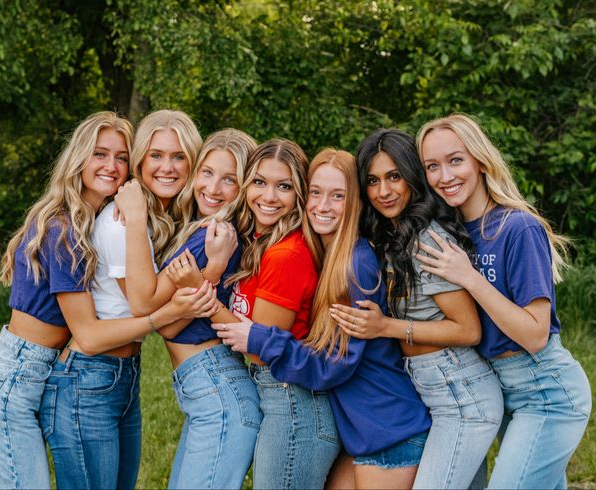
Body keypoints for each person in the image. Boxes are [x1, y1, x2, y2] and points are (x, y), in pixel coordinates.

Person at [0, 112, 215, 490]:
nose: (111, 166)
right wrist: (168, 314)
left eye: (120, 157)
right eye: (100, 154)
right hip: (11, 384)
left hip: (54, 375)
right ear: (79, 157)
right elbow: (91, 336)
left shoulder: (93, 220)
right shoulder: (63, 230)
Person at [214, 148, 432, 489]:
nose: (322, 205)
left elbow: (334, 364)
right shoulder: (327, 255)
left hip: (389, 431)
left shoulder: (355, 265)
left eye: (337, 196)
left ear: (355, 203)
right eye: (316, 192)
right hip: (363, 433)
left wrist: (259, 338)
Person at [416, 113, 591, 489]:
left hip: (546, 390)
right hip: (503, 390)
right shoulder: (453, 233)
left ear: (479, 161)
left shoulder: (517, 227)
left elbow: (535, 334)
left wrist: (469, 277)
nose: (445, 176)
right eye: (433, 166)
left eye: (455, 160)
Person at [328, 129, 503, 489]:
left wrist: (385, 327)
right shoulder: (393, 235)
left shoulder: (428, 239)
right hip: (434, 391)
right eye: (373, 181)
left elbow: (467, 329)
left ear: (411, 177)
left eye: (394, 177)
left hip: (463, 395)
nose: (384, 191)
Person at [118, 126, 261, 489]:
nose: (212, 189)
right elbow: (169, 323)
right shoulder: (207, 231)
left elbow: (148, 307)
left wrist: (135, 218)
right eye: (207, 173)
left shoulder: (210, 236)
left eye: (229, 180)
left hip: (219, 394)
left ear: (244, 187)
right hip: (212, 390)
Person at [219, 139, 341, 490]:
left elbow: (259, 347)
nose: (268, 196)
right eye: (259, 182)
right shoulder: (261, 241)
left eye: (283, 186)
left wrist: (203, 296)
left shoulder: (286, 254)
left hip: (292, 403)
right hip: (279, 398)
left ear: (300, 194)